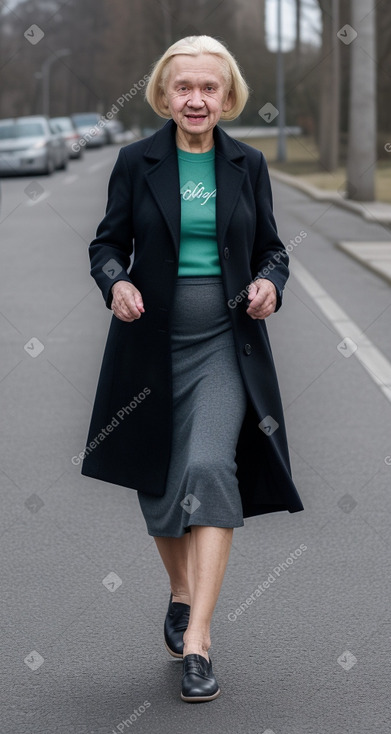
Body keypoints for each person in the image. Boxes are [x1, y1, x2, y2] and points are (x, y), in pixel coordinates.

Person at [81, 34, 304, 703]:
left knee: (208, 469)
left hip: (221, 346)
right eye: (184, 87)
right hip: (148, 348)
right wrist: (115, 282)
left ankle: (199, 641)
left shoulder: (248, 164)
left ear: (228, 94)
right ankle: (179, 591)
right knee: (159, 485)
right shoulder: (136, 161)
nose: (196, 99)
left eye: (209, 87)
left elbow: (271, 249)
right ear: (164, 95)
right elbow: (106, 244)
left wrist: (270, 282)